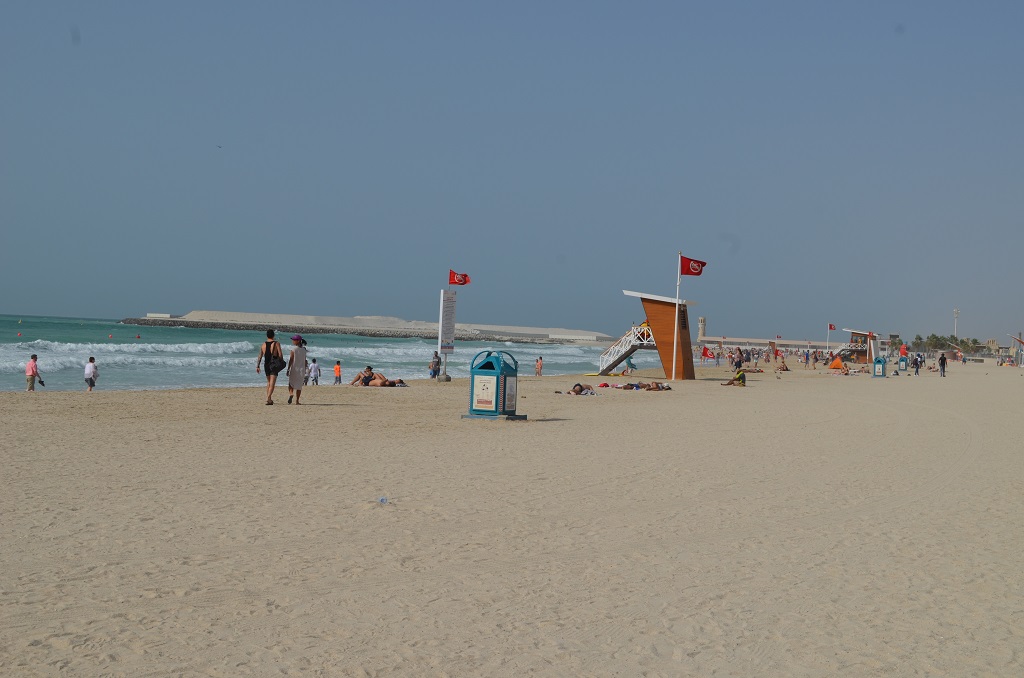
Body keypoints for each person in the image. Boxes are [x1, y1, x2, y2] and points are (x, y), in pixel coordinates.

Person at [256, 329, 284, 405]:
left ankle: (270, 399)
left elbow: (260, 356)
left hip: (266, 365)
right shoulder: (276, 343)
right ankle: (268, 398)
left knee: (268, 382)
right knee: (272, 383)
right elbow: (280, 355)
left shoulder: (263, 344)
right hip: (274, 365)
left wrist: (258, 366)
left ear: (267, 335)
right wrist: (281, 362)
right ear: (273, 335)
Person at [286, 335, 307, 404]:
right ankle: (297, 401)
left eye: (294, 340)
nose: (293, 341)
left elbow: (291, 360)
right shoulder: (304, 349)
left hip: (294, 369)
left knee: (291, 383)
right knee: (299, 386)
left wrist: (288, 369)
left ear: (297, 341)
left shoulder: (294, 349)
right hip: (302, 370)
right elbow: (305, 360)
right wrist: (306, 369)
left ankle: (291, 393)